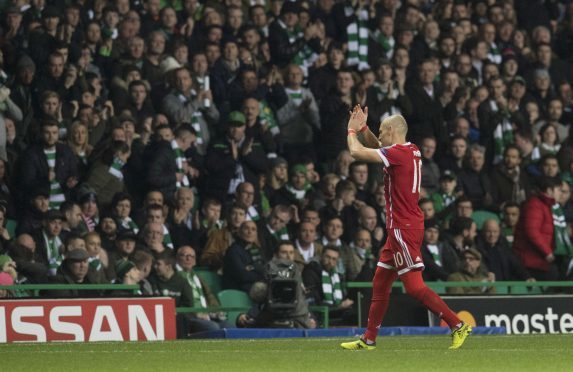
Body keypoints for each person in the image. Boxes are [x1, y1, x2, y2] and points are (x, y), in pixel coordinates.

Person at [340, 105, 471, 351]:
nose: (379, 135)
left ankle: (457, 324)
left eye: (381, 130)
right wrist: (365, 128)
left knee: (414, 287)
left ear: (391, 130)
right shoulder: (412, 150)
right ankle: (369, 339)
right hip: (402, 226)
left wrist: (352, 130)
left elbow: (356, 152)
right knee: (380, 283)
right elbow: (380, 145)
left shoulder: (397, 154)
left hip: (403, 227)